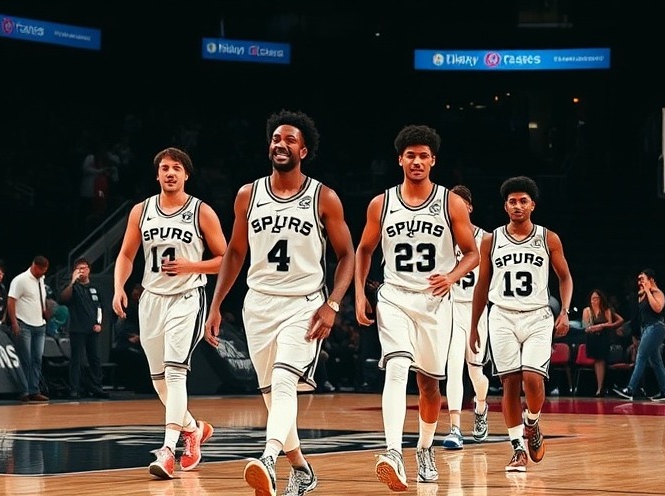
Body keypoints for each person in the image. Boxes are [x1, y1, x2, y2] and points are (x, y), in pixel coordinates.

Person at [204, 109, 355, 496]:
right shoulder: (247, 194)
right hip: (258, 304)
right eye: (275, 138)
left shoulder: (324, 197)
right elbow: (235, 253)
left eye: (289, 140)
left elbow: (348, 255)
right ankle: (301, 468)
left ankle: (268, 460)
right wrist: (217, 303)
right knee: (273, 395)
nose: (280, 144)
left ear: (303, 150)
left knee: (286, 381)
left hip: (303, 305)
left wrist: (333, 304)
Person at [355, 124, 479, 490]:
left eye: (423, 155)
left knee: (429, 387)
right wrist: (361, 293)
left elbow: (472, 254)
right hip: (394, 295)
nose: (417, 161)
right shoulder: (382, 203)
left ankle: (424, 448)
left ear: (433, 160)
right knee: (395, 367)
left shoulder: (450, 202)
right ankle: (393, 451)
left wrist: (452, 276)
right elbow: (364, 249)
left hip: (434, 301)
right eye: (410, 155)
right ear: (400, 159)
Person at [112, 147, 226, 479]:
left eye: (177, 167)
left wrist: (190, 265)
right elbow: (125, 255)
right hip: (151, 298)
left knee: (176, 373)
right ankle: (194, 429)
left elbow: (225, 259)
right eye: (164, 168)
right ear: (157, 175)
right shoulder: (141, 210)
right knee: (159, 381)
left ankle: (167, 451)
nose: (170, 172)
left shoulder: (201, 211)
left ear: (186, 175)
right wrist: (119, 287)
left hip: (188, 296)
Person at [469, 176, 573, 472]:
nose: (517, 205)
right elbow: (482, 284)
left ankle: (533, 422)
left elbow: (565, 277)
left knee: (532, 379)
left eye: (523, 200)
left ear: (533, 205)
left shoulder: (548, 237)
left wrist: (564, 310)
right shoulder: (492, 239)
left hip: (537, 315)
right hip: (501, 315)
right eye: (512, 201)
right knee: (509, 385)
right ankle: (517, 448)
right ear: (505, 206)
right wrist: (475, 323)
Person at [442, 184, 491, 450]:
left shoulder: (485, 239)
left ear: (469, 207)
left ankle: (481, 406)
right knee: (451, 369)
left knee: (475, 373)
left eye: (460, 203)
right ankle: (455, 428)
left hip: (474, 310)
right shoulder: (442, 238)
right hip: (449, 308)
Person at [613, 269, 665, 402]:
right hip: (646, 329)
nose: (640, 282)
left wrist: (648, 291)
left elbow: (658, 308)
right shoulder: (641, 295)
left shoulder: (657, 293)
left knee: (641, 356)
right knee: (656, 361)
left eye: (642, 279)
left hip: (656, 327)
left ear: (651, 280)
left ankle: (630, 389)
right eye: (639, 279)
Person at [60, 257, 109, 399]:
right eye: (79, 268)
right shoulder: (73, 288)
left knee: (94, 358)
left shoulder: (95, 288)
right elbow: (63, 299)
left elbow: (100, 307)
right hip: (77, 329)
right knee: (76, 359)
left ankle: (97, 386)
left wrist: (99, 324)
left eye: (84, 268)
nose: (82, 271)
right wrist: (72, 282)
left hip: (92, 329)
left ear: (89, 270)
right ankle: (74, 388)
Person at [7, 256, 51, 403]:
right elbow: (11, 300)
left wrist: (44, 311)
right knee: (25, 358)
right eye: (41, 269)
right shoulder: (20, 280)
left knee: (37, 359)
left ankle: (34, 390)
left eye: (45, 270)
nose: (42, 272)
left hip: (40, 324)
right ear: (34, 266)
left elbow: (40, 298)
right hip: (24, 323)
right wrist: (14, 322)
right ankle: (24, 391)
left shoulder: (41, 280)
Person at [582, 289, 624, 397]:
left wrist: (601, 326)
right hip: (592, 339)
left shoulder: (606, 310)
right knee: (597, 361)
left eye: (596, 298)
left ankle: (601, 387)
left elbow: (610, 323)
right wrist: (597, 327)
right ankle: (599, 387)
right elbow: (586, 327)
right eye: (592, 299)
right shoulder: (587, 311)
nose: (594, 301)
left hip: (604, 338)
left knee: (602, 361)